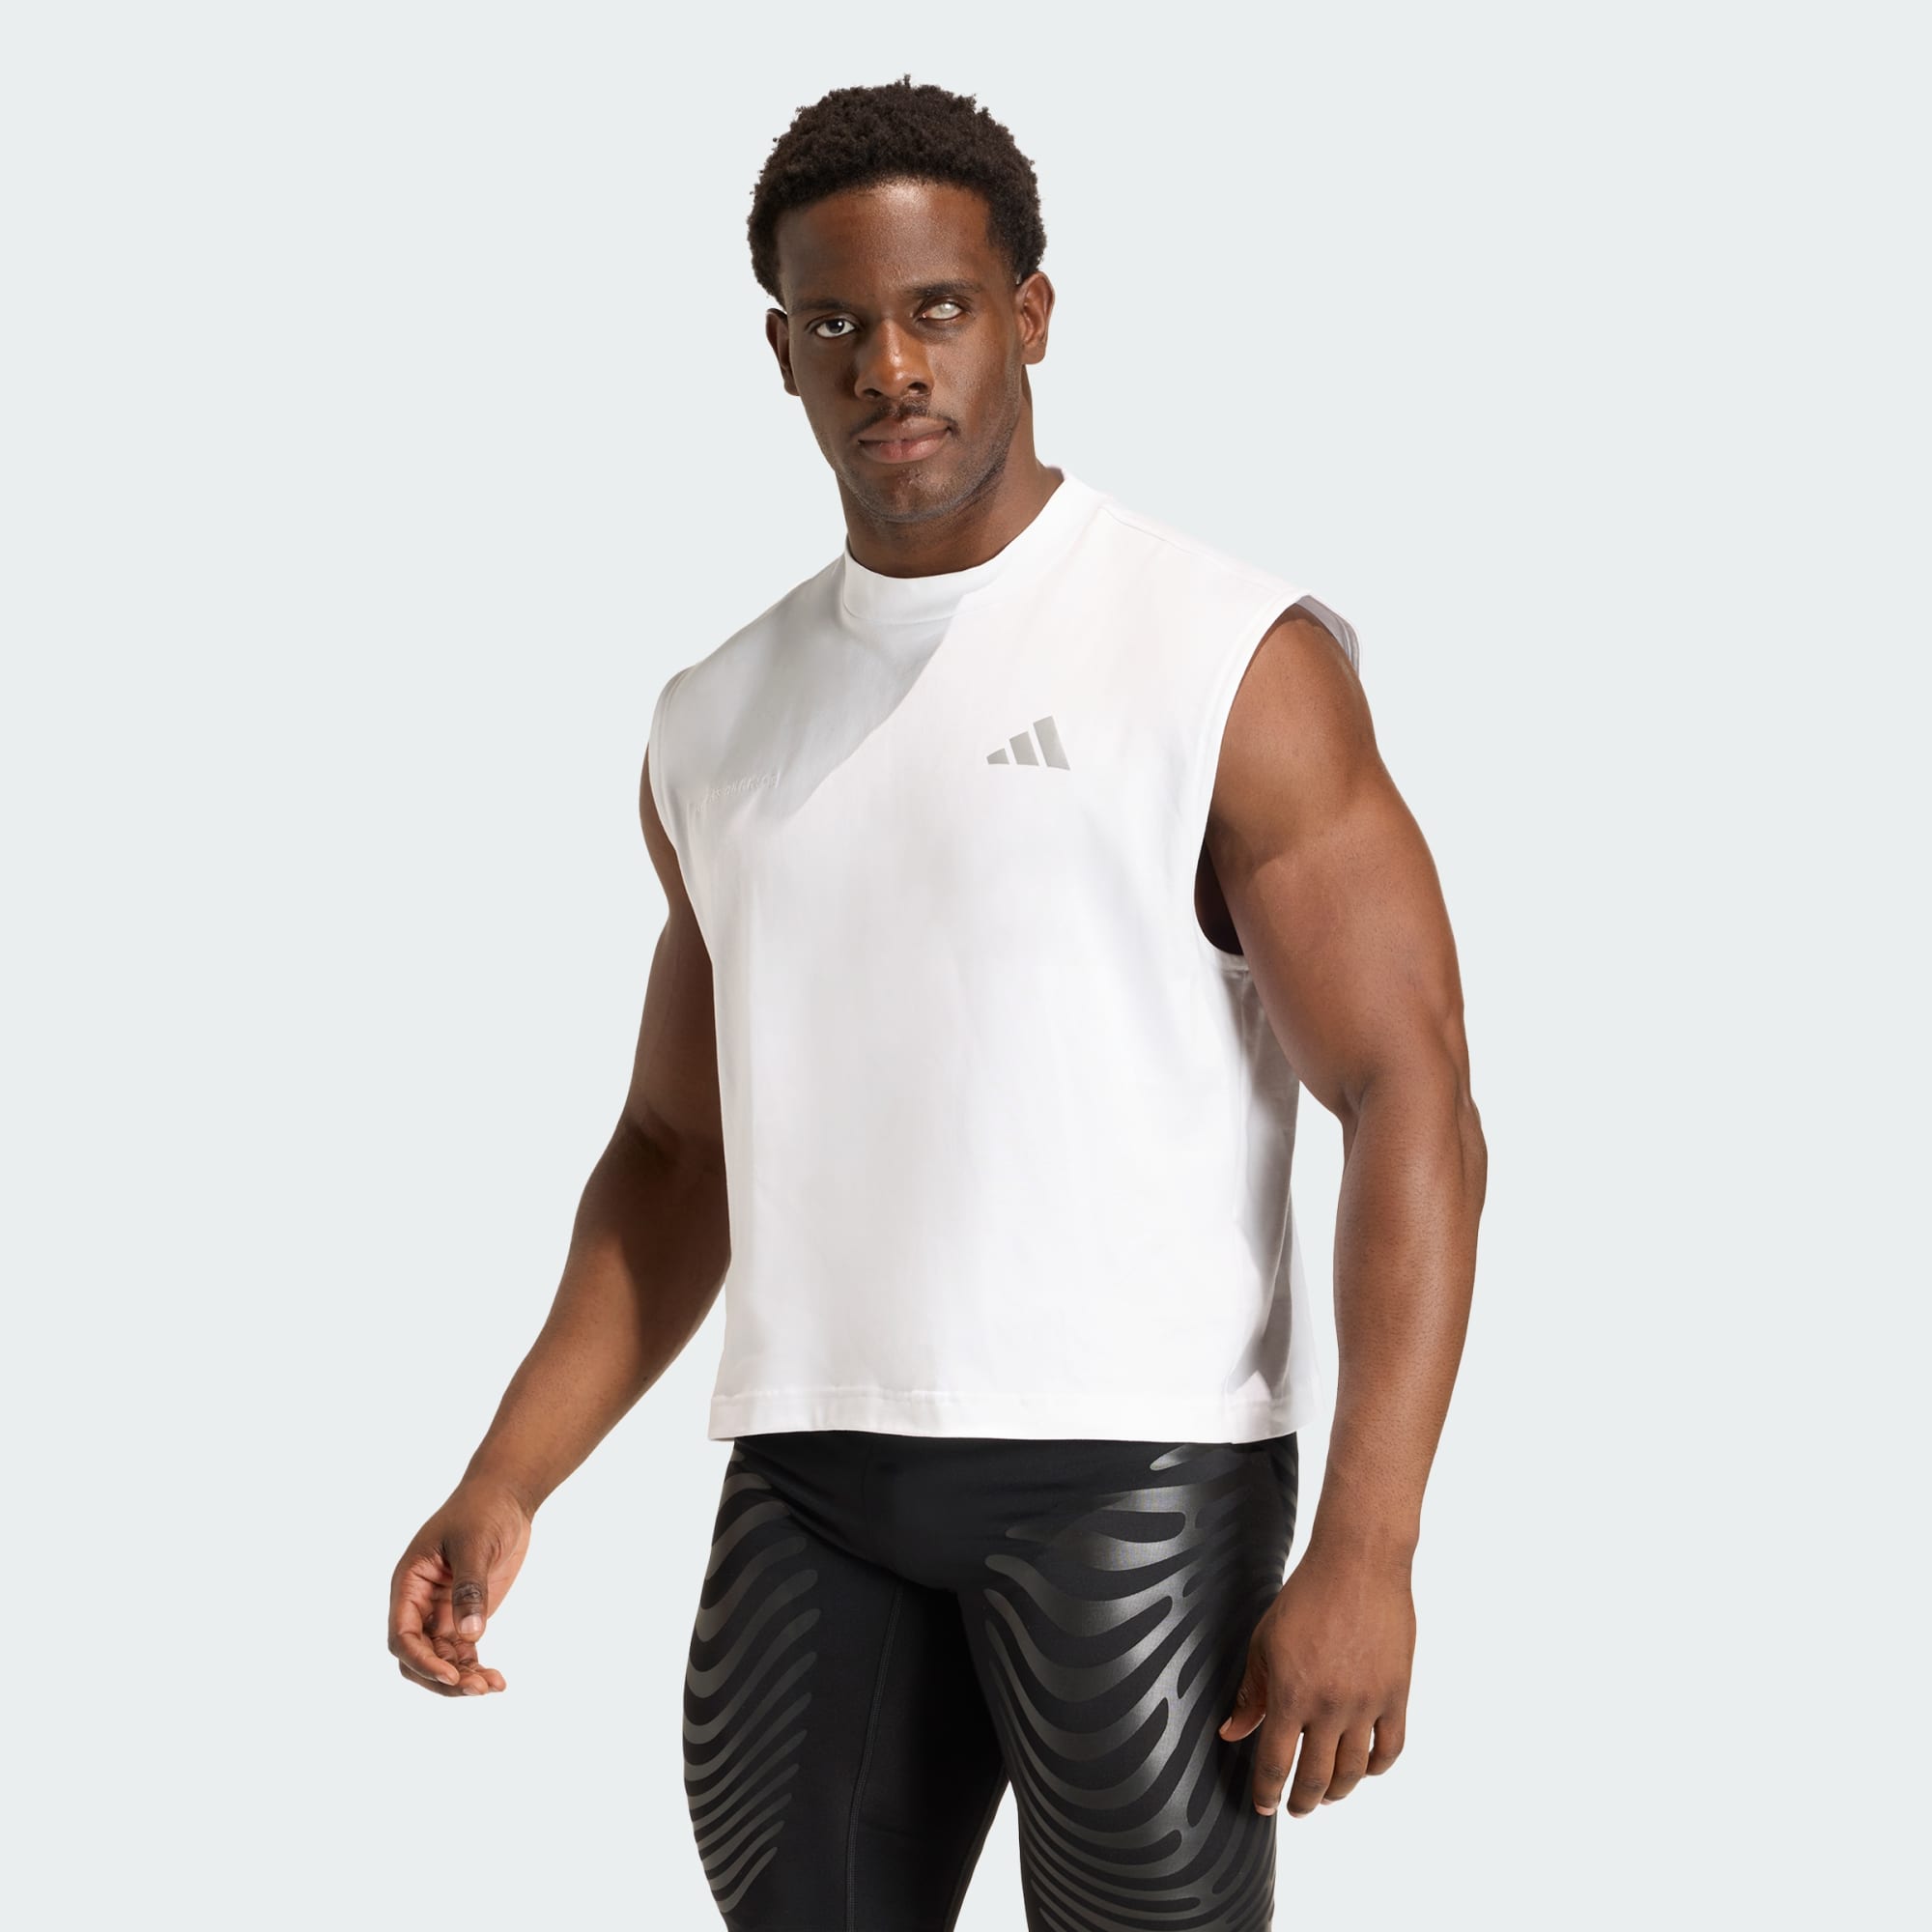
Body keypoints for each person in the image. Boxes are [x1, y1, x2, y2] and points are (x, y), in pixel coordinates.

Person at [388, 74, 1485, 1932]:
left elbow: (1412, 1096)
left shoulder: (1224, 655)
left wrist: (1368, 1544)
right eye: (836, 324)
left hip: (1138, 1477)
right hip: (812, 1480)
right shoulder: (715, 718)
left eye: (939, 309)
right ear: (781, 352)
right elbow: (674, 1151)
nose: (889, 366)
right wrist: (509, 1475)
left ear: (1030, 315)